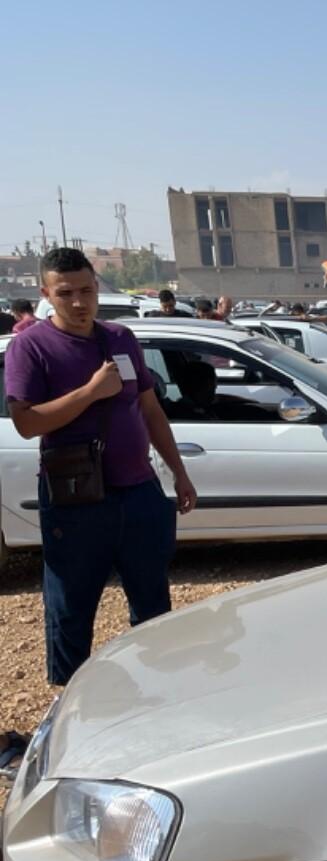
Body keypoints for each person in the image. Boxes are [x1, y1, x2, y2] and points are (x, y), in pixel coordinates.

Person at [3, 247, 197, 685]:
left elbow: (149, 410)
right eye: (66, 292)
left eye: (87, 290)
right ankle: (70, 707)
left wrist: (179, 473)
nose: (78, 302)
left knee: (153, 604)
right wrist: (90, 392)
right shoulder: (30, 346)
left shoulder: (120, 338)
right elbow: (26, 423)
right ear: (46, 293)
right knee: (71, 606)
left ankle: (157, 689)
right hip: (75, 499)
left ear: (97, 288)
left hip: (139, 491)